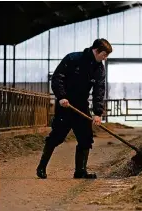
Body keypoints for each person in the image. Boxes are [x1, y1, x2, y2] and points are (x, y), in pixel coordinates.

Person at [36, 38, 113, 179]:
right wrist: (61, 96)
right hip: (66, 104)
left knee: (86, 138)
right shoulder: (73, 58)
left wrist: (97, 113)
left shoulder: (99, 69)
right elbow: (57, 78)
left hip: (81, 105)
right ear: (96, 51)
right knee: (57, 137)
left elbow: (99, 91)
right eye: (104, 55)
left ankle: (80, 171)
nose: (105, 58)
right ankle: (41, 167)